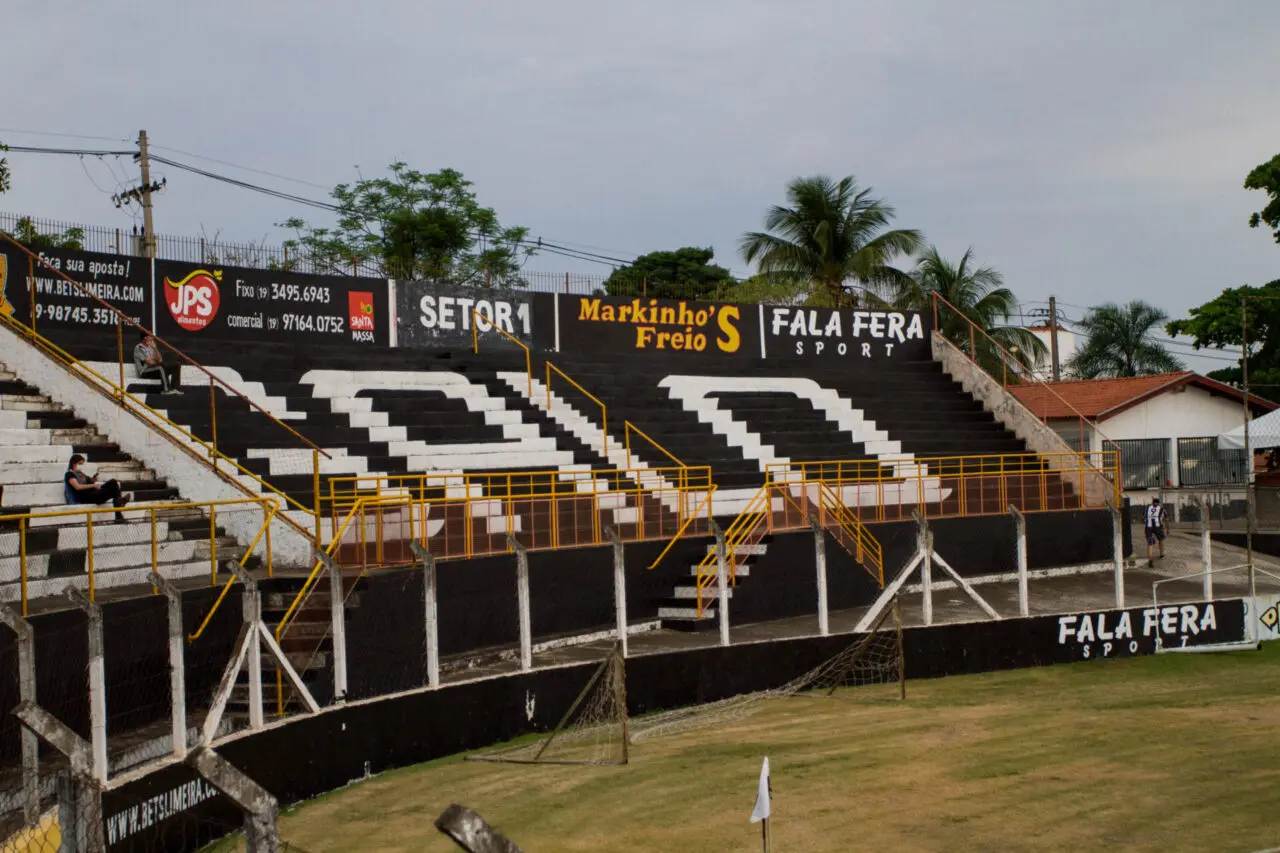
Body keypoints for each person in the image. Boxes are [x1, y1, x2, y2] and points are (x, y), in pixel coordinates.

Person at [64, 454, 131, 522]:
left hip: (93, 494)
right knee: (115, 491)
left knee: (113, 483)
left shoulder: (81, 473)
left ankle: (119, 511)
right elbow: (77, 487)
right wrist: (93, 485)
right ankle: (120, 506)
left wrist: (93, 480)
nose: (81, 466)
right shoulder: (69, 474)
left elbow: (91, 482)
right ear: (74, 463)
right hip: (85, 497)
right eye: (80, 464)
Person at [1145, 497, 1168, 567]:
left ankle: (1150, 558)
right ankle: (1161, 554)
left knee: (1150, 542)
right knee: (1161, 540)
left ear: (1152, 503)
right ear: (1158, 503)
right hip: (1158, 527)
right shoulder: (1162, 509)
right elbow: (1167, 519)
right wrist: (1168, 529)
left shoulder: (1147, 508)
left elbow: (1144, 517)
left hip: (1148, 527)